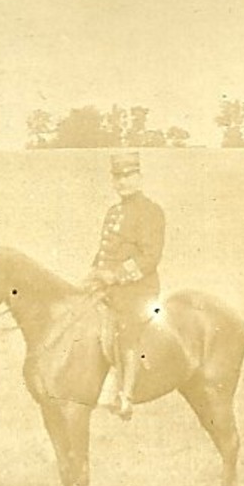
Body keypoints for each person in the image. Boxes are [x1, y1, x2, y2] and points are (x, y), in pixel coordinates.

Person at [85, 151, 165, 421]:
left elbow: (149, 258)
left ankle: (125, 396)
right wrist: (94, 274)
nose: (123, 182)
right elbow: (104, 251)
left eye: (129, 176)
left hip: (139, 289)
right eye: (118, 177)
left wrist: (116, 275)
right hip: (109, 287)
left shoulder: (151, 211)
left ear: (139, 178)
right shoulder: (113, 212)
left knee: (126, 328)